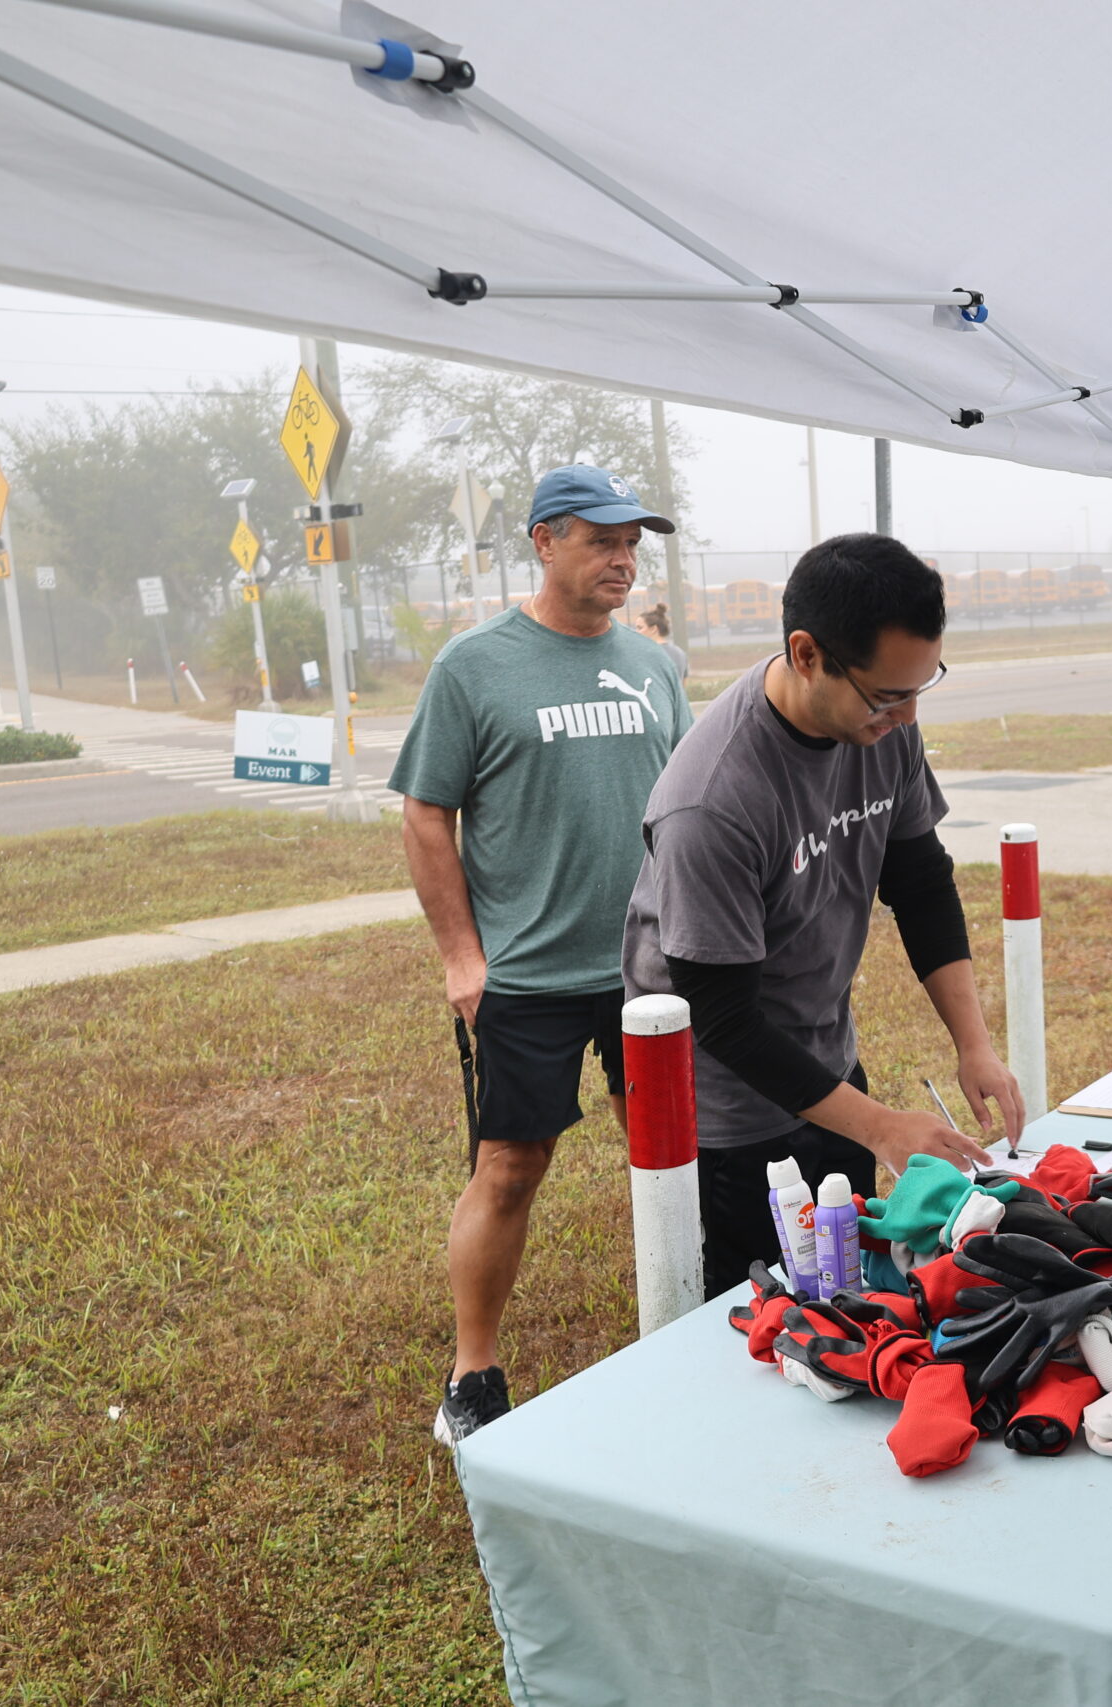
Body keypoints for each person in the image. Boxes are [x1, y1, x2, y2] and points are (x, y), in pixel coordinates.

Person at [623, 533, 1023, 1296]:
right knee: (765, 1313)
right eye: (887, 695)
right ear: (807, 654)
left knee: (848, 1289)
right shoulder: (710, 800)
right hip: (727, 1107)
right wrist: (881, 1125)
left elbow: (921, 881)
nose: (907, 716)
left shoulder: (881, 724)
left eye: (921, 687)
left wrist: (974, 1045)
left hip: (826, 1060)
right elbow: (725, 1020)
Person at [390, 464, 693, 1447]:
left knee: (674, 1156)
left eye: (632, 543)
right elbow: (425, 814)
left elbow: (687, 806)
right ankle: (471, 1375)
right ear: (545, 542)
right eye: (602, 540)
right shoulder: (474, 667)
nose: (623, 559)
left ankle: (692, 1331)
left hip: (650, 967)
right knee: (512, 1168)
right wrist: (461, 957)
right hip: (528, 974)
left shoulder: (657, 666)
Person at [635, 601, 689, 685]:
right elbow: (683, 685)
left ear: (653, 629)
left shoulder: (646, 654)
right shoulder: (680, 653)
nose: (636, 632)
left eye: (640, 628)